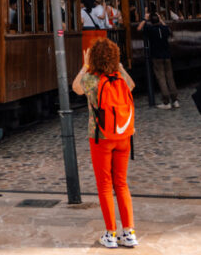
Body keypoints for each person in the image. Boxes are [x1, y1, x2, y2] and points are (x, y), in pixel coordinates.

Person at [72, 37, 137, 249]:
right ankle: (129, 232)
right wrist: (118, 65)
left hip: (100, 137)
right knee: (122, 183)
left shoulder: (91, 79)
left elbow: (75, 88)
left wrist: (84, 66)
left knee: (105, 185)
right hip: (123, 136)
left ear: (94, 58)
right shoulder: (118, 77)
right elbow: (132, 85)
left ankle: (110, 234)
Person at [138, 11, 178, 109]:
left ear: (151, 21)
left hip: (156, 56)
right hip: (167, 56)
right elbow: (168, 29)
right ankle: (175, 100)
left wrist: (144, 19)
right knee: (170, 77)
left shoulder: (150, 29)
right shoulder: (164, 29)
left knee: (161, 78)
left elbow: (139, 28)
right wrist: (160, 20)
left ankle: (166, 101)